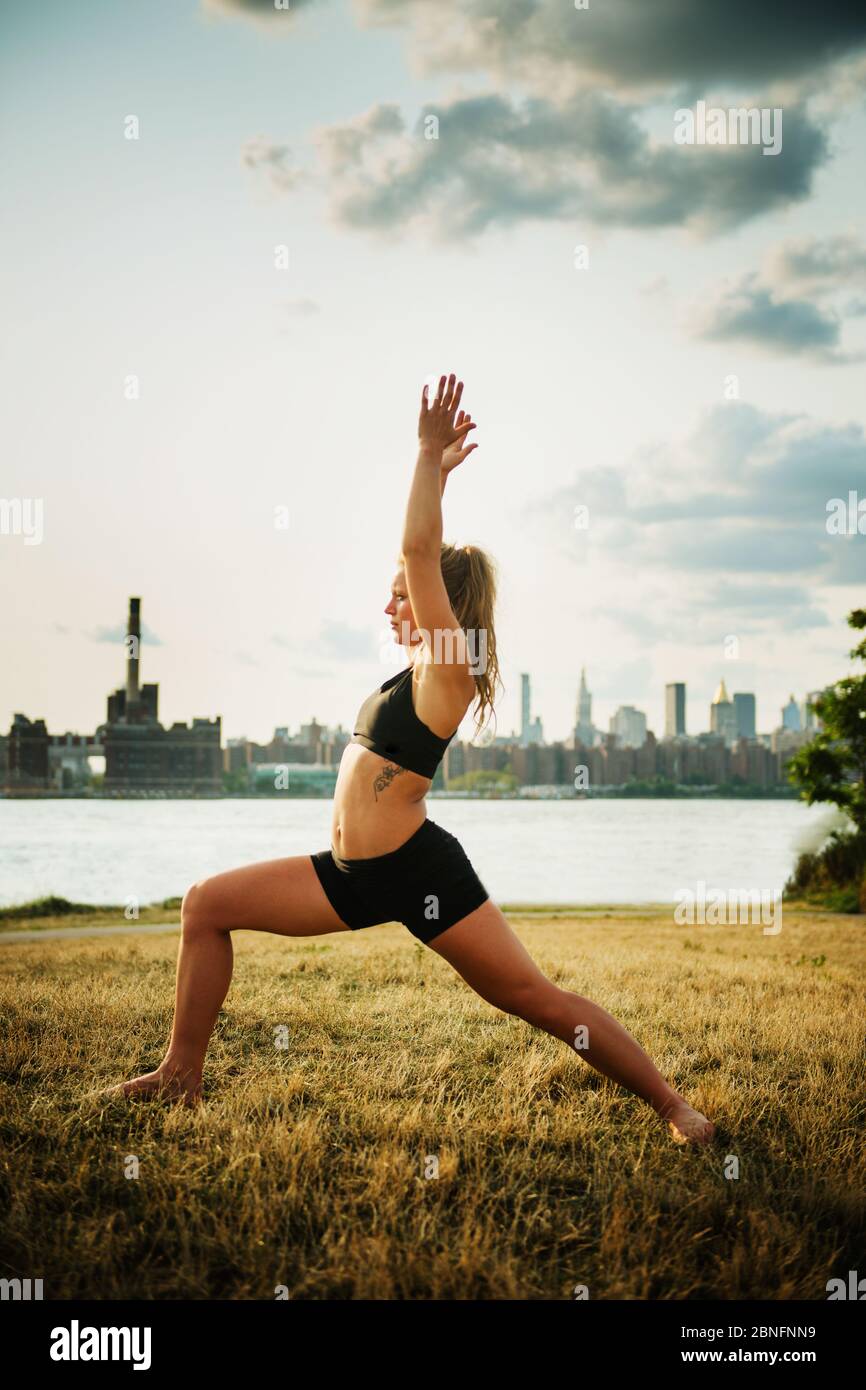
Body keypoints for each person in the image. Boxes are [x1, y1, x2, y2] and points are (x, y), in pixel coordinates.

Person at [105, 373, 715, 1146]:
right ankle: (180, 1076)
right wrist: (436, 473)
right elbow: (419, 559)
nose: (389, 605)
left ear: (436, 608)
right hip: (348, 877)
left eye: (401, 595)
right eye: (395, 594)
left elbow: (420, 549)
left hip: (421, 874)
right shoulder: (411, 675)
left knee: (535, 998)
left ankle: (675, 1108)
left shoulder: (446, 668)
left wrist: (428, 456)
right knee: (206, 906)